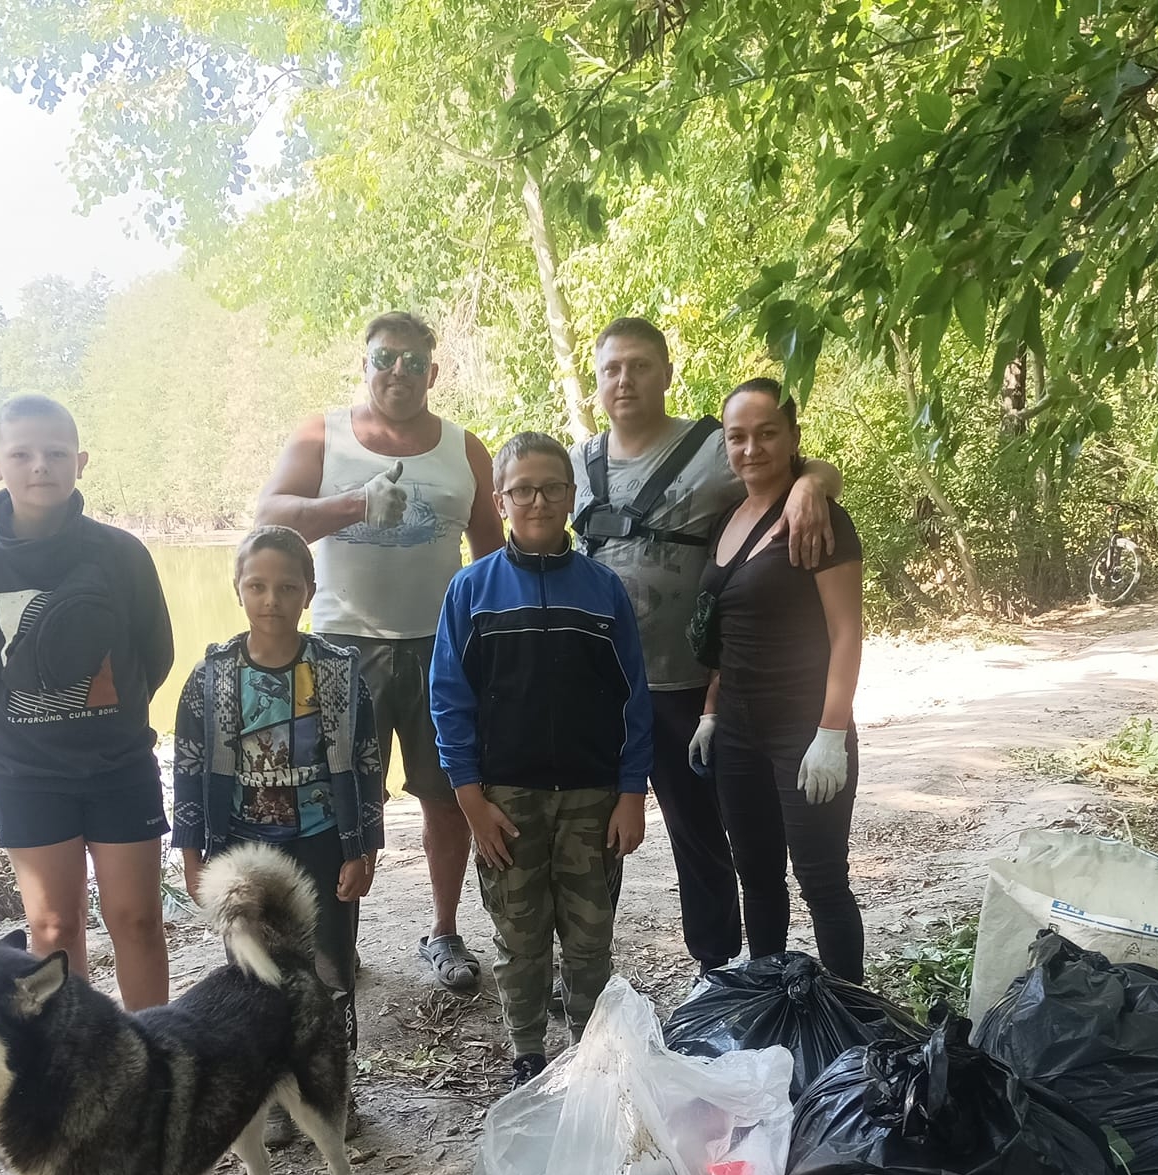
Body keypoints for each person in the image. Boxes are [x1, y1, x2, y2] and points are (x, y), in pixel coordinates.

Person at [570, 317, 842, 977]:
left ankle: (769, 971)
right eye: (612, 369)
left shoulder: (713, 445)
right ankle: (696, 968)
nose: (625, 380)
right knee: (647, 840)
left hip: (700, 686)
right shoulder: (579, 462)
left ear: (667, 373)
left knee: (737, 837)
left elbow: (800, 465)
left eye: (640, 365)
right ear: (597, 382)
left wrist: (810, 487)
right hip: (614, 691)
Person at [256, 312, 503, 994]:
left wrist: (491, 648)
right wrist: (354, 505)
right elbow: (269, 516)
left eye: (412, 360)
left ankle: (445, 930)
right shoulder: (322, 433)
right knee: (341, 803)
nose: (397, 370)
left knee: (447, 797)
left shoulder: (465, 449)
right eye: (384, 357)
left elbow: (492, 554)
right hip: (340, 647)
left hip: (440, 649)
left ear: (433, 370)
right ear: (365, 363)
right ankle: (339, 944)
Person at [0, 393, 174, 1008]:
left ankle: (158, 1062)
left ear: (80, 462)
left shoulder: (120, 555)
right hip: (25, 775)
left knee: (137, 918)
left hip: (119, 768)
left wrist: (115, 718)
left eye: (56, 453)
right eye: (22, 454)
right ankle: (78, 1065)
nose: (41, 466)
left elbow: (155, 652)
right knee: (54, 931)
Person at [429, 431, 651, 1088]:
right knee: (519, 938)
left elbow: (635, 697)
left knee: (588, 941)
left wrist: (633, 791)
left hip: (593, 800)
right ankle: (527, 1053)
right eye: (522, 489)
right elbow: (449, 699)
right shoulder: (472, 591)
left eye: (552, 487)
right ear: (500, 500)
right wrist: (471, 799)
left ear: (571, 495)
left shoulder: (603, 591)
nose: (537, 500)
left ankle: (590, 1055)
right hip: (506, 804)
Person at [171, 526, 384, 1138]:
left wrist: (361, 847)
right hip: (242, 848)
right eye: (257, 585)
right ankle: (269, 1099)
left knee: (329, 972)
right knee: (254, 974)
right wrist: (193, 854)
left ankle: (334, 1092)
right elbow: (186, 770)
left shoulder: (339, 674)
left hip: (321, 838)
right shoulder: (210, 679)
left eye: (288, 586)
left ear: (310, 592)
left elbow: (368, 767)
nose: (272, 599)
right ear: (237, 589)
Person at [692, 380, 865, 980]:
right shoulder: (726, 519)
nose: (752, 448)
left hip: (804, 728)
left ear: (793, 436)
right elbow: (727, 624)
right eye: (737, 436)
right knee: (758, 879)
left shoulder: (819, 515)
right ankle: (767, 1002)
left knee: (821, 880)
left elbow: (847, 633)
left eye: (767, 433)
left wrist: (832, 733)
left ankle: (851, 1023)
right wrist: (712, 709)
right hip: (738, 731)